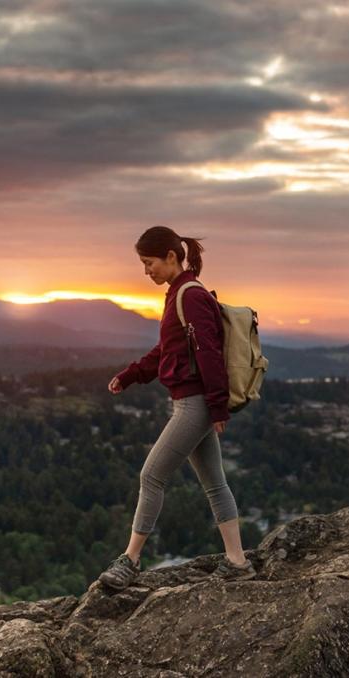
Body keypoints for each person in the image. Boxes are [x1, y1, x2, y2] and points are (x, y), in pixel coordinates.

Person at [98, 225, 255, 589]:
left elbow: (210, 353)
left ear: (171, 256)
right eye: (142, 263)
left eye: (149, 262)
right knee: (215, 482)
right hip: (192, 403)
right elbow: (168, 351)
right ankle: (237, 561)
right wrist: (131, 375)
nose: (145, 270)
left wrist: (217, 409)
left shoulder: (190, 295)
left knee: (151, 476)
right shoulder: (179, 294)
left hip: (194, 405)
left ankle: (130, 560)